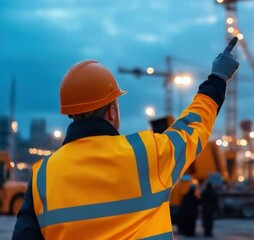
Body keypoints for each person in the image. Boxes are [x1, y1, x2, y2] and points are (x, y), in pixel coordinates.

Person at [12, 37, 239, 240]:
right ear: (112, 111)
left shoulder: (43, 176)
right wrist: (217, 78)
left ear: (70, 113)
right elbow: (193, 126)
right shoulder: (147, 154)